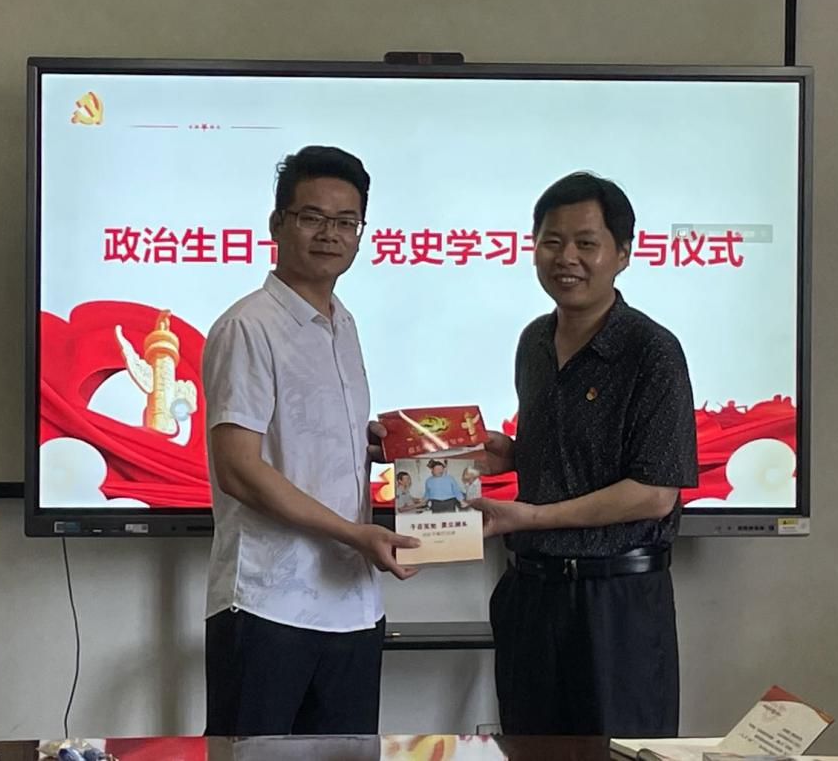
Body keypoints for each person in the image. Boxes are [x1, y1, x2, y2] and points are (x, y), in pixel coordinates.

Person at [469, 171, 698, 737]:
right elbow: (577, 454)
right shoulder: (534, 342)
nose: (566, 257)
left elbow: (654, 492)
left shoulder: (652, 350)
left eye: (586, 243)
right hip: (531, 596)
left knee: (618, 751)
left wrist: (531, 516)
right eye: (551, 241)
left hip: (615, 604)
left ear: (623, 253)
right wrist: (513, 455)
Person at [202, 145, 419, 737]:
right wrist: (353, 533)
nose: (330, 235)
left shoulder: (343, 323)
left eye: (346, 222)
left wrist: (367, 446)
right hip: (268, 605)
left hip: (352, 606)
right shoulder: (248, 326)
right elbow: (239, 469)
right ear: (278, 224)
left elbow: (301, 441)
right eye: (312, 217)